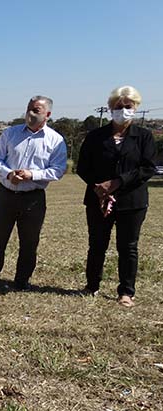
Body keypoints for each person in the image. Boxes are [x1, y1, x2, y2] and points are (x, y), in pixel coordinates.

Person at [77, 86, 156, 307]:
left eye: (127, 107)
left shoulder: (144, 137)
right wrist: (99, 187)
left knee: (128, 246)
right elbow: (83, 167)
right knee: (97, 244)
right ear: (111, 109)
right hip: (97, 199)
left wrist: (117, 183)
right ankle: (91, 285)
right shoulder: (95, 136)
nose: (122, 110)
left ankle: (126, 292)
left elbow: (147, 168)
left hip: (132, 201)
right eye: (118, 107)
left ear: (135, 108)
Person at [0, 95, 67, 291]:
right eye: (29, 108)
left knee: (29, 242)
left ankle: (22, 280)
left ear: (47, 114)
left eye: (36, 110)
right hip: (6, 194)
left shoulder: (55, 140)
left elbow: (58, 169)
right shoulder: (10, 133)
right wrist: (8, 173)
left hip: (33, 198)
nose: (30, 114)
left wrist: (32, 175)